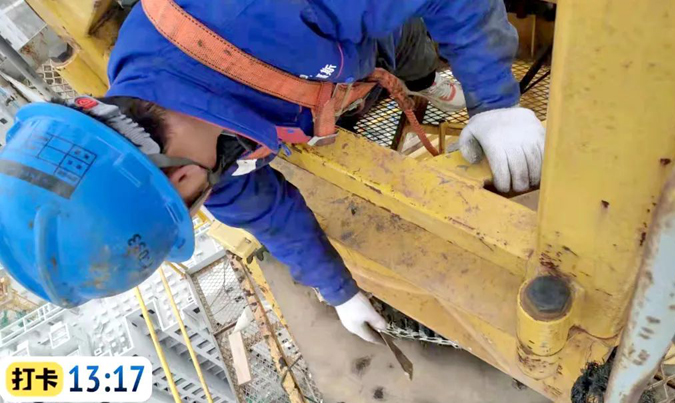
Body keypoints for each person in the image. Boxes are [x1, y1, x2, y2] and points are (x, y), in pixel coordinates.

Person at [0, 0, 545, 343]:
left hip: (376, 36)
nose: (208, 200)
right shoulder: (169, 127)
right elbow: (264, 210)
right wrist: (339, 291)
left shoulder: (251, 11)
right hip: (332, 77)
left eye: (192, 207)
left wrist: (495, 102)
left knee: (414, 53)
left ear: (184, 181)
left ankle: (429, 81)